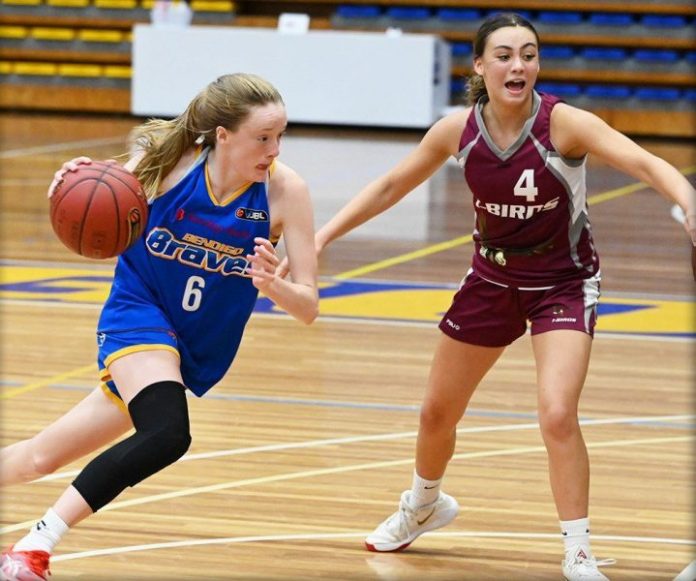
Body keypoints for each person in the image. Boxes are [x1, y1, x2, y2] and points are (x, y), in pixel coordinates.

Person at [297, 13, 696, 581]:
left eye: (529, 54)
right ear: (480, 67)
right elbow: (390, 185)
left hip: (563, 283)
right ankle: (423, 505)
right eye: (505, 55)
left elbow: (647, 162)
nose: (519, 65)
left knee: (557, 413)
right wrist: (321, 235)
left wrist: (689, 202)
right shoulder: (456, 131)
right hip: (491, 280)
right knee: (437, 412)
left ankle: (578, 551)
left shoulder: (565, 125)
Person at [0, 72, 318, 581]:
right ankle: (33, 548)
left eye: (281, 136)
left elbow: (309, 306)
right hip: (138, 318)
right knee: (168, 433)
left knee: (38, 459)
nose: (274, 149)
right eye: (263, 138)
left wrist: (273, 285)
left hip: (190, 349)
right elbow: (94, 190)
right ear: (223, 135)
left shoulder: (284, 192)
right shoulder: (172, 168)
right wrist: (67, 177)